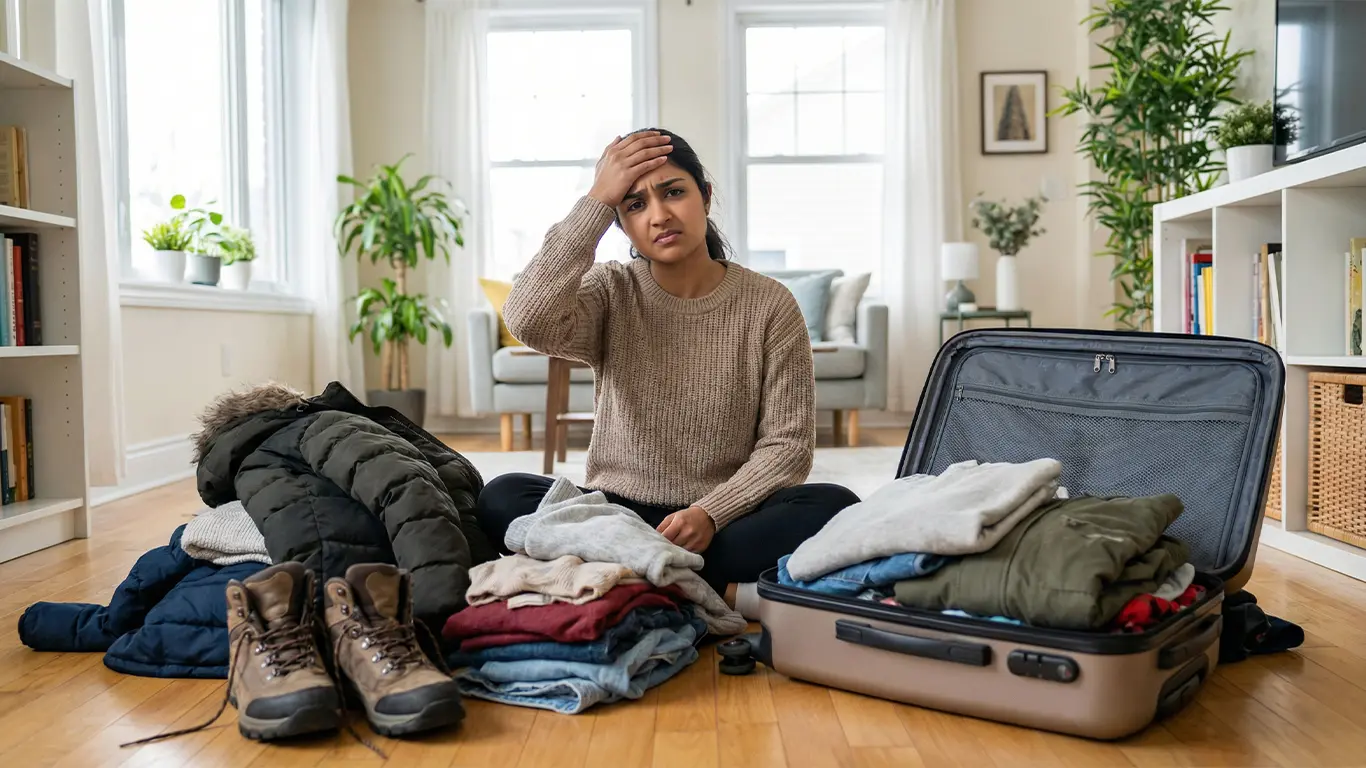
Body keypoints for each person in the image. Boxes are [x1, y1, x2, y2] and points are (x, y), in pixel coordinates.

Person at [476, 128, 859, 618]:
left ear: (705, 195)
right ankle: (699, 585)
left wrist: (711, 513)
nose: (659, 215)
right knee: (501, 495)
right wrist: (596, 201)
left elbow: (787, 447)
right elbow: (528, 317)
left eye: (674, 192)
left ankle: (629, 580)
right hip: (614, 514)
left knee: (833, 504)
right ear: (620, 223)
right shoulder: (612, 291)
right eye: (634, 205)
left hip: (721, 522)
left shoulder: (769, 304)